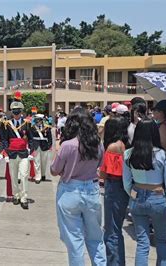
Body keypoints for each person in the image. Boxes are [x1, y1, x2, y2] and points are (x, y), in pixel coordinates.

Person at [51, 107, 106, 266]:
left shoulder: (68, 145)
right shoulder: (98, 144)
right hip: (92, 189)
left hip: (70, 191)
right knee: (96, 238)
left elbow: (54, 170)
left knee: (74, 242)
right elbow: (100, 165)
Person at [123, 119, 166, 265]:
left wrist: (133, 195)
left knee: (142, 243)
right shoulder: (164, 156)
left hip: (137, 197)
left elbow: (126, 183)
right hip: (158, 197)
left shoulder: (128, 154)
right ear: (154, 132)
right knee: (161, 240)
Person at [100, 116, 129, 265]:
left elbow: (106, 173)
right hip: (123, 189)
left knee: (111, 231)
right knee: (116, 229)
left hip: (114, 187)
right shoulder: (125, 144)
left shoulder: (113, 147)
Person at [4, 91, 33, 210]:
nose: (16, 114)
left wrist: (31, 151)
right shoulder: (7, 124)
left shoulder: (27, 124)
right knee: (13, 176)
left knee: (24, 175)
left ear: (21, 112)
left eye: (18, 112)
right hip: (11, 153)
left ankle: (24, 198)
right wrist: (5, 152)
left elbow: (31, 138)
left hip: (23, 153)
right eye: (14, 112)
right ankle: (16, 195)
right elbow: (4, 139)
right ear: (12, 112)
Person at [30, 114, 53, 184]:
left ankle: (43, 174)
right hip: (36, 145)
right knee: (37, 162)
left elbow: (50, 137)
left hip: (44, 146)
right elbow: (31, 137)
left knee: (44, 162)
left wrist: (49, 146)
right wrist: (31, 147)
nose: (37, 121)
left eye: (39, 120)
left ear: (42, 120)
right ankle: (38, 176)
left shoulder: (47, 127)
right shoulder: (32, 127)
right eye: (36, 120)